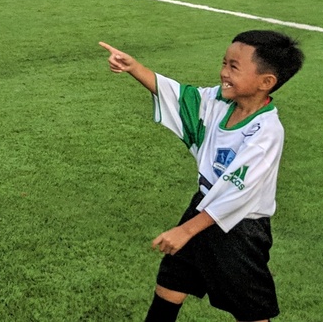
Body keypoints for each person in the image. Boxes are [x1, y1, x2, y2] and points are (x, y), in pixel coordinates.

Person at [100, 31, 304, 322]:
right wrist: (134, 68)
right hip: (205, 205)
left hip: (240, 229)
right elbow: (181, 96)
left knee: (250, 310)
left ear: (266, 82)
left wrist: (185, 230)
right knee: (171, 281)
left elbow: (238, 192)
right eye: (224, 63)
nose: (223, 72)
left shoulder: (266, 132)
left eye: (234, 67)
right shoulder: (218, 101)